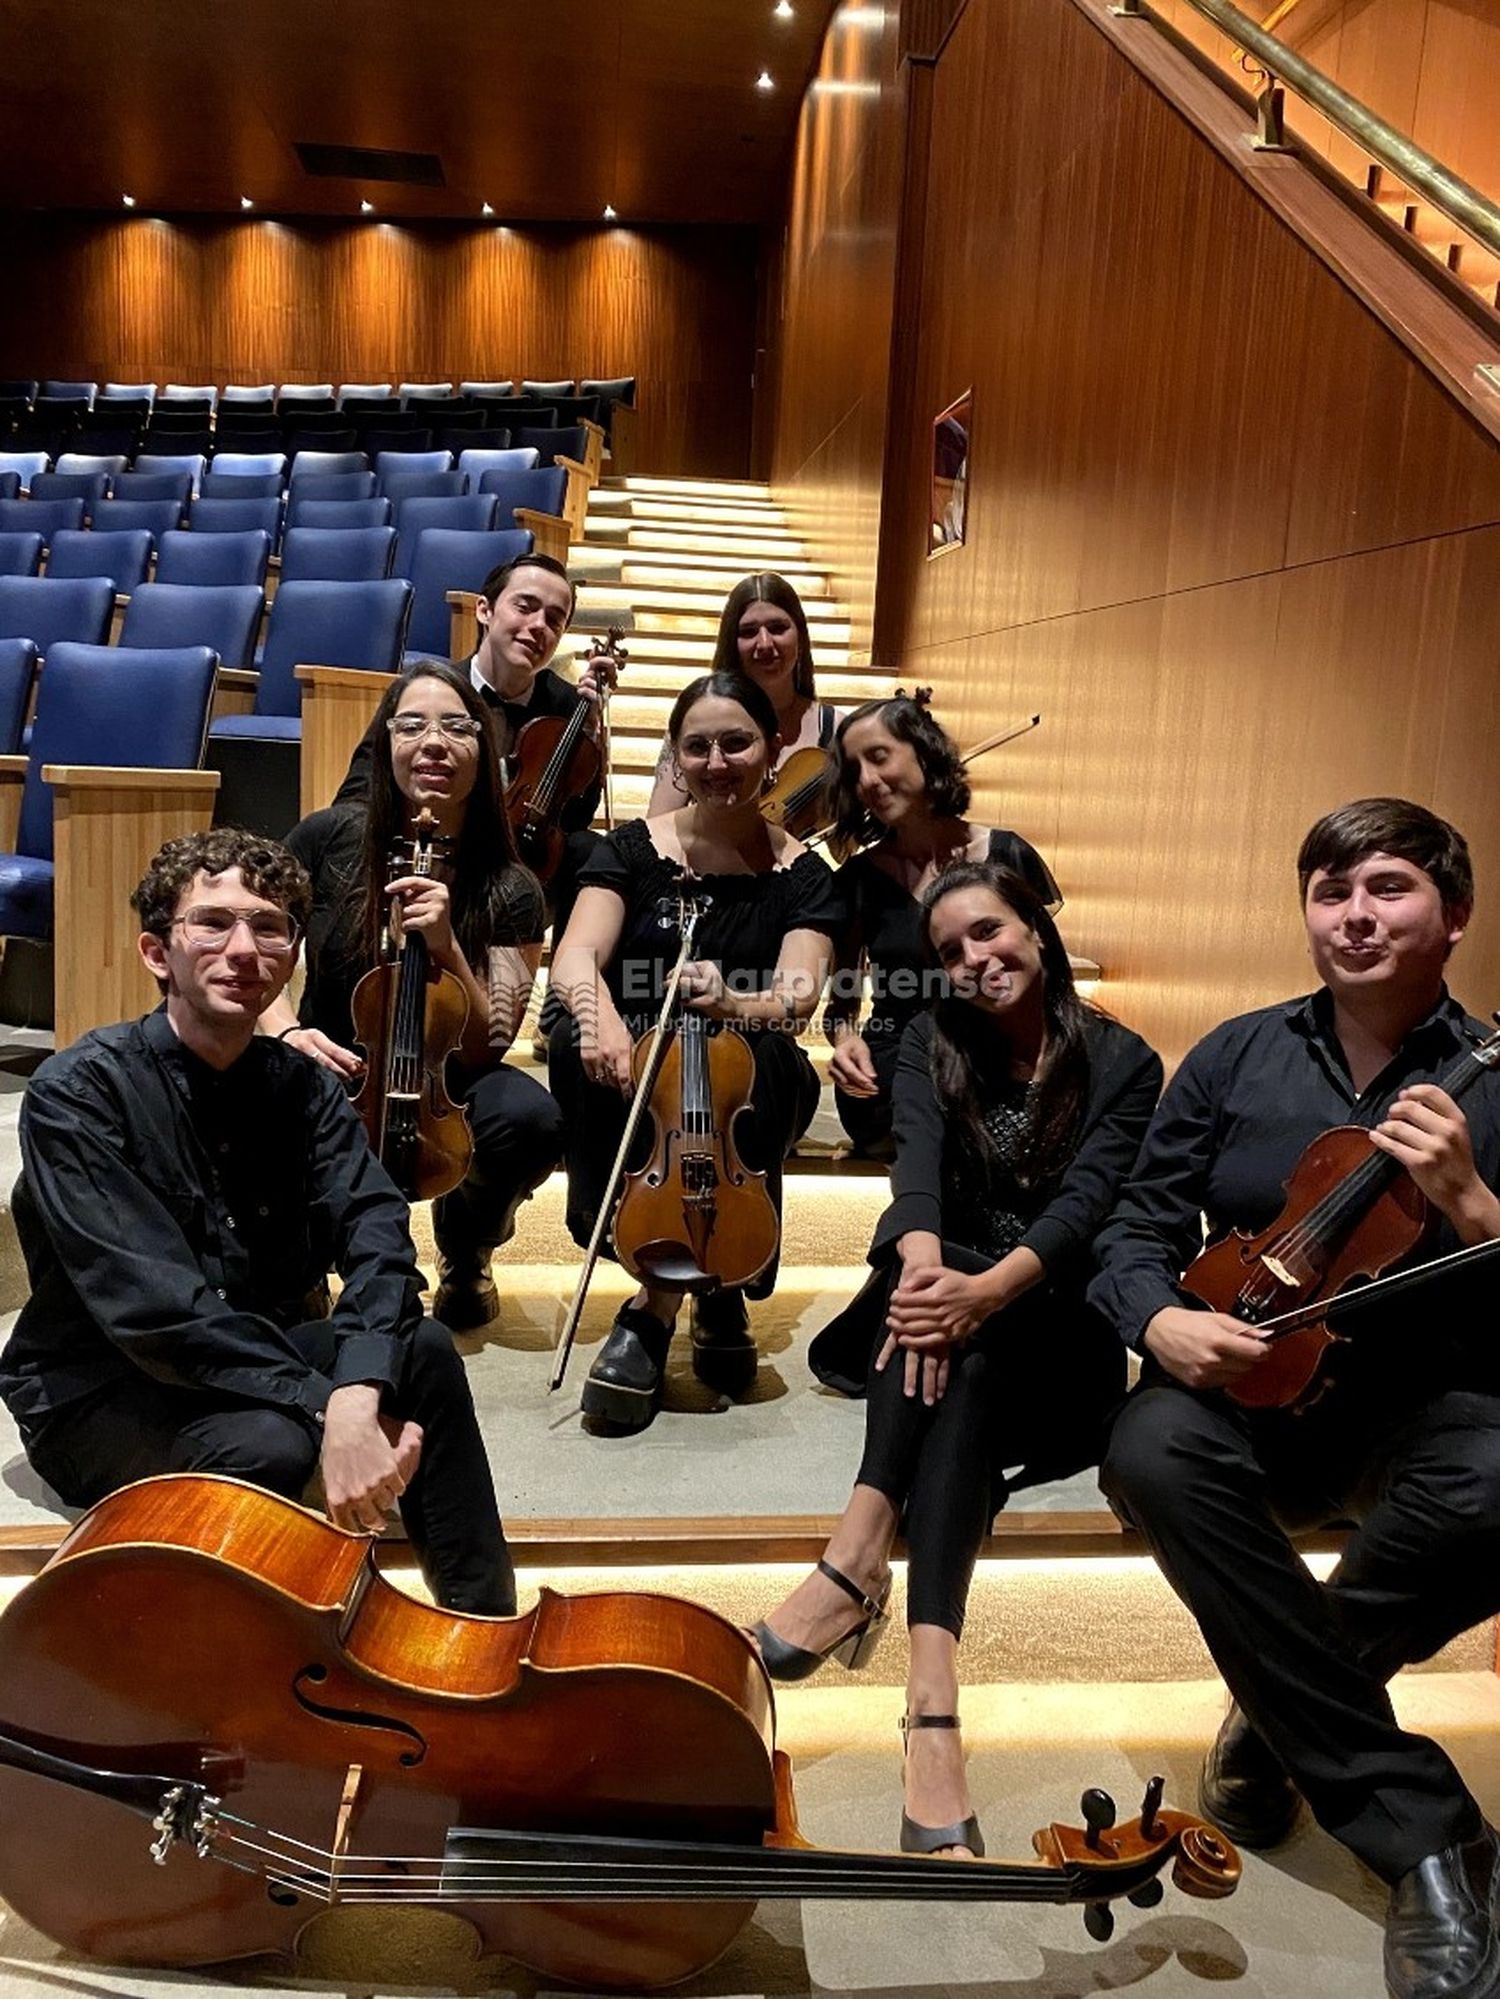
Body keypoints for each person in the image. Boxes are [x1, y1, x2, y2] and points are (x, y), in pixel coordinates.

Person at [1089, 798, 1500, 1999]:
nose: (1355, 916)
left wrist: (1477, 1207)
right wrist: (1155, 1317)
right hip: (1253, 1380)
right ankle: (1427, 1824)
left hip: (1421, 1401)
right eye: (1331, 893)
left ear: (1453, 915)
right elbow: (1137, 1225)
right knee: (1150, 1451)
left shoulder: (1492, 1084)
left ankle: (1282, 1720)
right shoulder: (1236, 1053)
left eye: (1387, 888)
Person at [751, 861, 1159, 1860]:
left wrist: (976, 1289)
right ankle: (932, 1703)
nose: (976, 959)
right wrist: (936, 1271)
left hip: (1066, 1341)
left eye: (990, 932)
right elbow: (914, 1177)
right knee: (939, 1315)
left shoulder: (1124, 1060)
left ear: (1036, 927)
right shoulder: (933, 1042)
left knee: (946, 1313)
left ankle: (855, 1557)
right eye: (950, 950)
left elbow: (1084, 1213)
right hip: (958, 1338)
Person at [0, 827, 513, 1616]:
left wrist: (359, 1384)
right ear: (154, 951)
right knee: (277, 1441)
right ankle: (223, 1685)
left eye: (269, 927)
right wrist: (324, 1400)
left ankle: (477, 1629)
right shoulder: (78, 1093)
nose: (244, 948)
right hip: (102, 1386)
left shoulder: (302, 1088)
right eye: (213, 922)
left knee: (424, 1349)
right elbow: (156, 1310)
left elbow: (377, 1231)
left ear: (291, 955)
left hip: (251, 1352)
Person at [550, 669, 842, 1430]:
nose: (718, 762)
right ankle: (712, 1290)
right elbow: (576, 956)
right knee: (571, 1042)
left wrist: (735, 1002)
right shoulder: (630, 849)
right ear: (676, 759)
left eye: (737, 742)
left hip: (747, 1052)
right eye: (698, 746)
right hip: (636, 1058)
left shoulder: (804, 874)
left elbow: (798, 995)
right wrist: (599, 1016)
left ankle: (661, 1301)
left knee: (751, 1065)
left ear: (773, 748)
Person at [263, 661, 562, 1330]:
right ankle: (304, 1260)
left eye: (457, 727)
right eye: (413, 725)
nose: (434, 742)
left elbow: (491, 1041)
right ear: (386, 742)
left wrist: (449, 942)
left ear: (484, 755)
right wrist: (286, 1029)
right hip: (331, 1064)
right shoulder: (327, 840)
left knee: (527, 1119)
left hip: (446, 1083)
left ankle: (468, 1251)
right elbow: (253, 955)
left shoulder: (511, 885)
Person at [824, 691, 1060, 1154]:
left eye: (879, 758)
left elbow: (1051, 975)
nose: (868, 781)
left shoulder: (1006, 854)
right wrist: (846, 1040)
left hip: (996, 1045)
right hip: (898, 1056)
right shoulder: (858, 879)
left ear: (924, 752)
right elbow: (843, 1000)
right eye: (855, 773)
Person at [645, 573, 839, 814]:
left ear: (800, 635)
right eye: (748, 632)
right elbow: (659, 821)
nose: (765, 643)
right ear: (731, 643)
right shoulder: (697, 721)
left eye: (778, 628)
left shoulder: (837, 729)